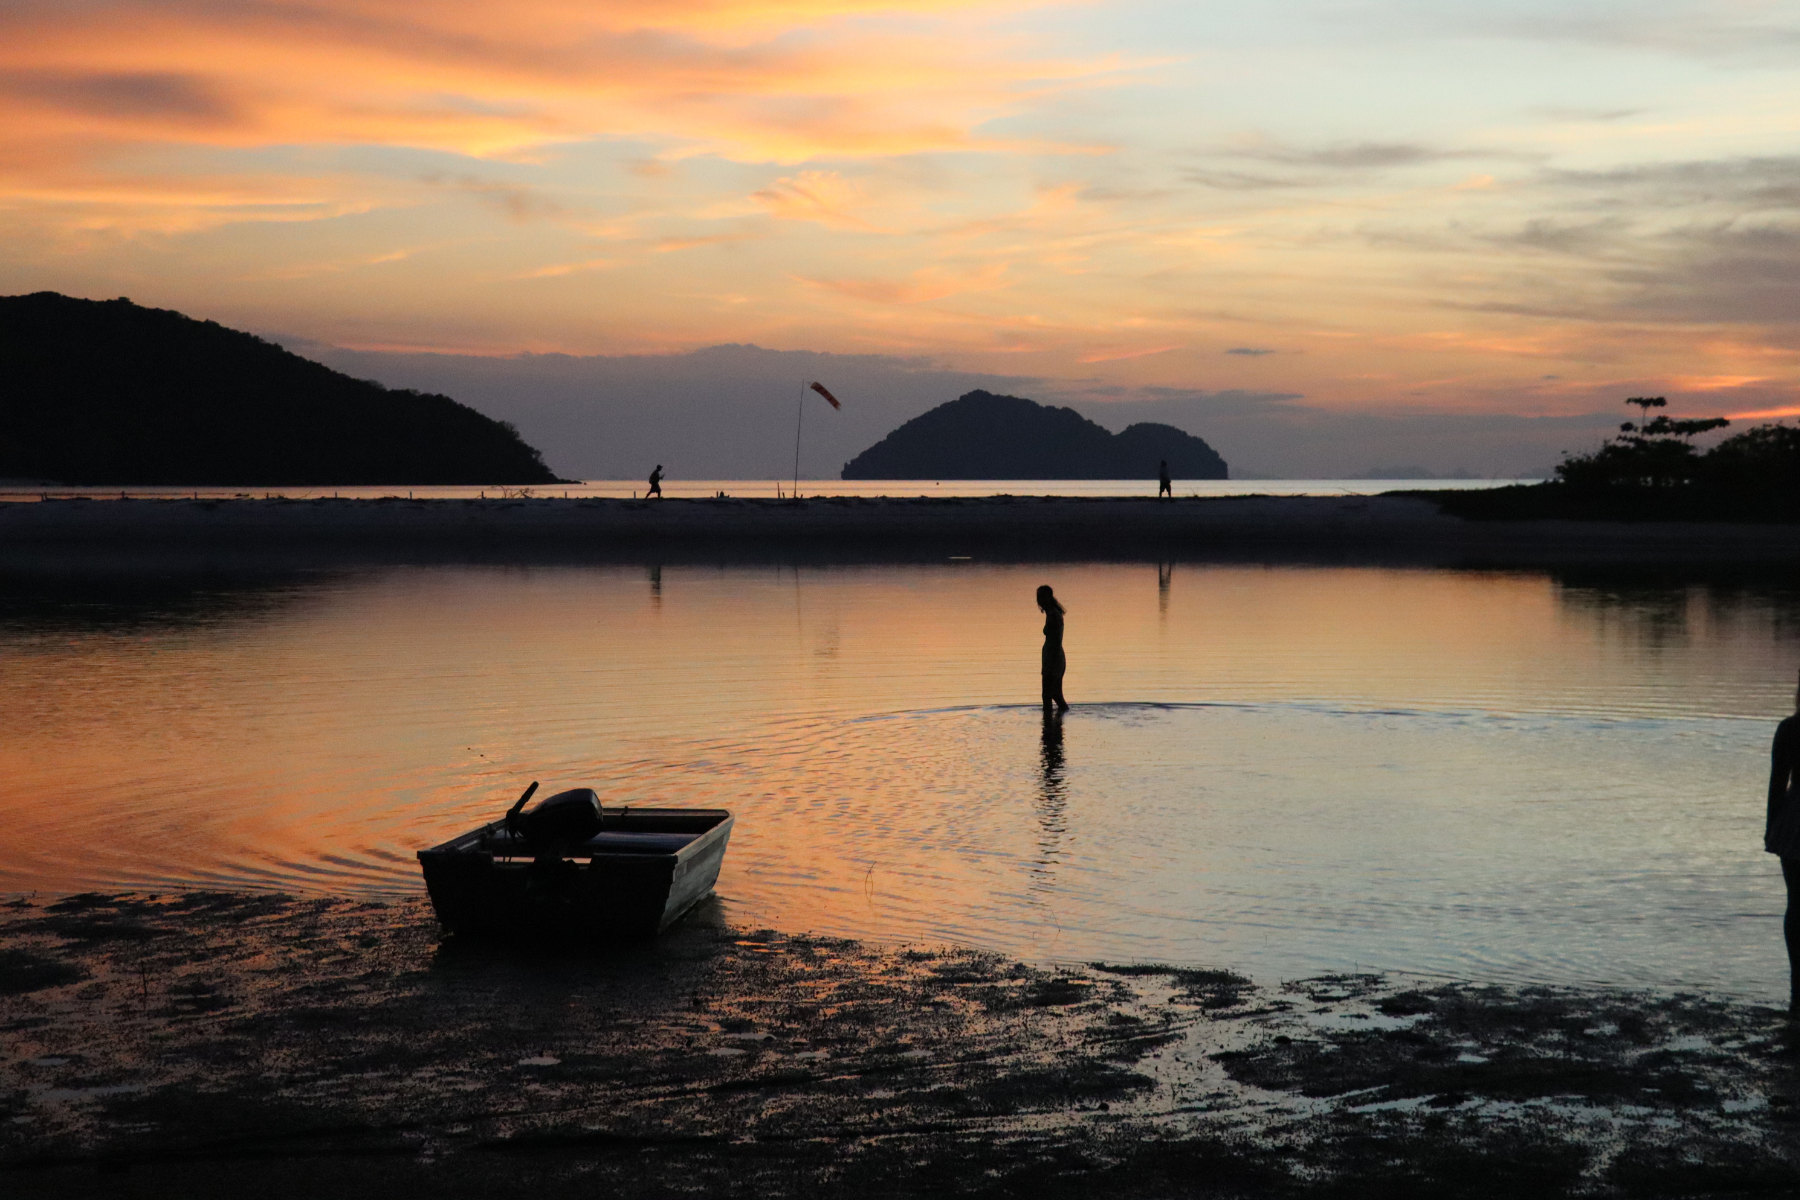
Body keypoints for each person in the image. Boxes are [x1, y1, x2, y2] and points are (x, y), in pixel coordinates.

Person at [1767, 669, 1800, 1013]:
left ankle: (1796, 982)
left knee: (1796, 903)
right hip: (1793, 823)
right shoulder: (1788, 729)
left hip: (1793, 821)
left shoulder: (1788, 729)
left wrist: (1771, 827)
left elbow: (1777, 784)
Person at [1037, 584, 1069, 714]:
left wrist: (1052, 663)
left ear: (1049, 597)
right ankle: (1056, 722)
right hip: (1053, 657)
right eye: (1038, 597)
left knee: (1047, 695)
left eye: (1042, 597)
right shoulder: (1052, 613)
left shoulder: (1054, 615)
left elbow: (1055, 640)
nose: (1039, 600)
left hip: (1053, 658)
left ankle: (1048, 725)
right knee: (1055, 694)